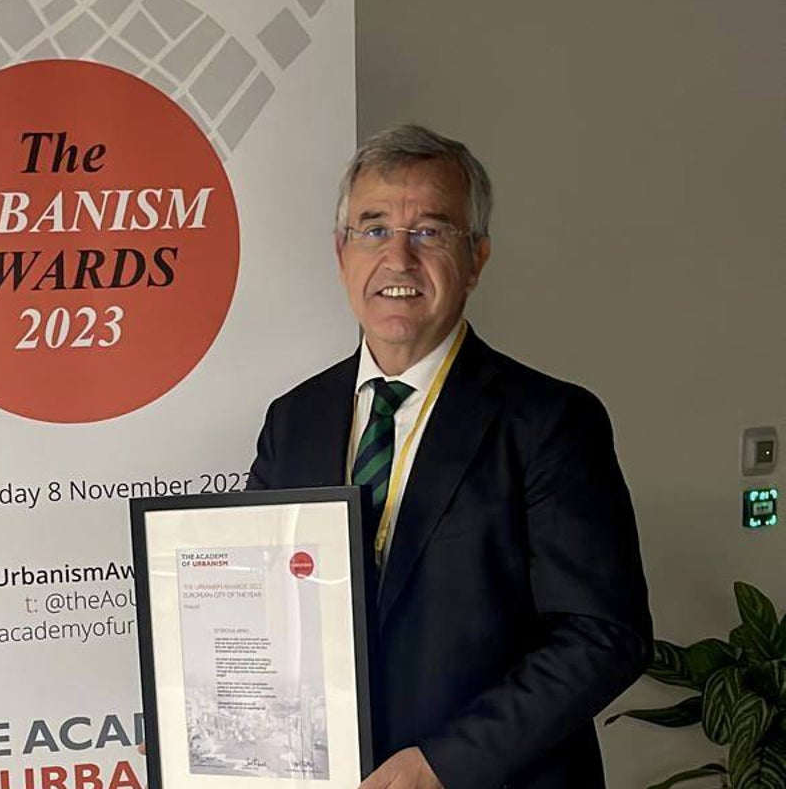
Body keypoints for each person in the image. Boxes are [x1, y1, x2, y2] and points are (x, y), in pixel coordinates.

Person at [246, 125, 652, 789]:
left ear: (477, 258)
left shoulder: (551, 422)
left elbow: (603, 635)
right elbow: (259, 601)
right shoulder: (292, 420)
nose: (399, 259)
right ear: (340, 252)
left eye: (431, 232)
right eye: (373, 230)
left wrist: (439, 767)